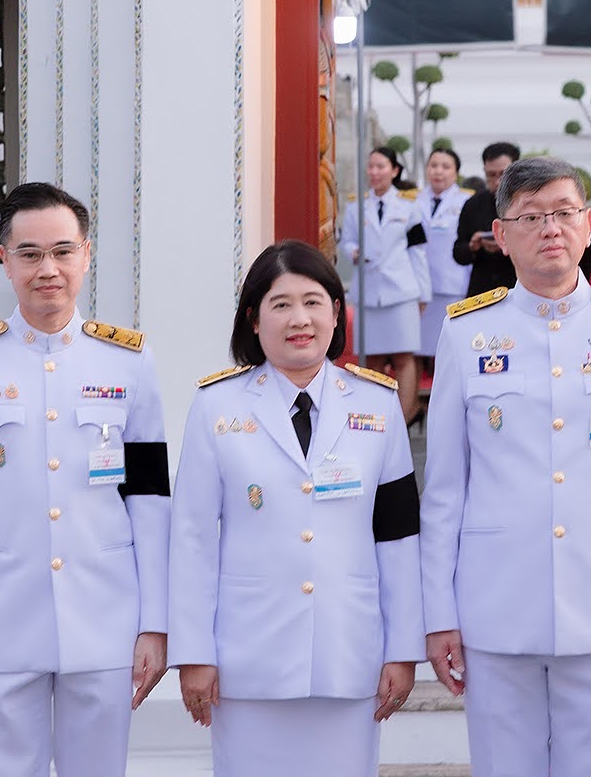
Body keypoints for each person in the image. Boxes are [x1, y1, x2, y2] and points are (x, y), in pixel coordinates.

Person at [423, 156, 591, 777]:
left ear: (589, 225)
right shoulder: (466, 334)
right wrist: (438, 614)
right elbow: (444, 488)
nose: (551, 229)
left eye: (564, 213)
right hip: (495, 601)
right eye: (531, 217)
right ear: (502, 235)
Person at [0, 182, 170, 777]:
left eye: (62, 251)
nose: (47, 269)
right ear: (3, 261)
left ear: (86, 254)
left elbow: (151, 498)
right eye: (29, 254)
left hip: (106, 614)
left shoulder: (129, 362)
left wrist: (155, 620)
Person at [171, 240, 421, 772]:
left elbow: (398, 537)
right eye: (280, 304)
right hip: (246, 656)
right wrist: (194, 652)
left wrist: (402, 648)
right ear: (254, 321)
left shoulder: (377, 406)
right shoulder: (217, 406)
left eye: (314, 301)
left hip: (348, 650)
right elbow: (191, 537)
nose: (299, 318)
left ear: (337, 313)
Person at [340, 146, 429, 424]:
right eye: (371, 167)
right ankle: (378, 418)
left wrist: (423, 294)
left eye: (381, 166)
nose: (375, 172)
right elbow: (346, 241)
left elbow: (418, 252)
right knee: (374, 360)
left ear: (394, 170)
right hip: (369, 292)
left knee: (403, 357)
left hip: (401, 291)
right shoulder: (356, 207)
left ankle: (404, 416)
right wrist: (353, 251)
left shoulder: (409, 207)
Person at [415, 147, 473, 357]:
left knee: (452, 349)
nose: (438, 171)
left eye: (445, 167)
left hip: (453, 284)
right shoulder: (413, 201)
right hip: (419, 287)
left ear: (456, 172)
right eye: (433, 166)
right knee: (418, 350)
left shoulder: (466, 202)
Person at [453, 141, 520, 300]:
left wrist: (508, 245)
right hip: (481, 292)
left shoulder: (529, 204)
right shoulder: (473, 204)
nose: (497, 182)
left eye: (503, 174)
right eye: (491, 175)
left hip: (518, 289)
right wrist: (472, 247)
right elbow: (458, 253)